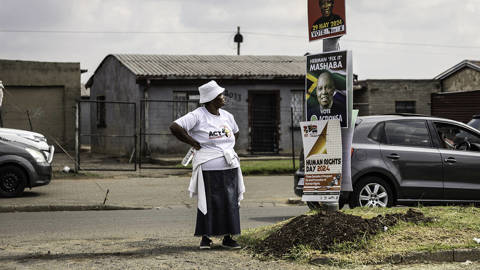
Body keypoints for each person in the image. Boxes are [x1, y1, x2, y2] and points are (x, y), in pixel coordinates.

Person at [169, 80, 245, 250]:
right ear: (211, 98)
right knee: (210, 201)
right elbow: (175, 127)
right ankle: (206, 238)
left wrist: (226, 149)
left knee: (230, 202)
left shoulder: (227, 116)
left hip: (229, 166)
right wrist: (193, 142)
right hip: (208, 168)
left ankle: (229, 237)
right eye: (220, 95)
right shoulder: (198, 115)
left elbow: (236, 133)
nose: (223, 97)